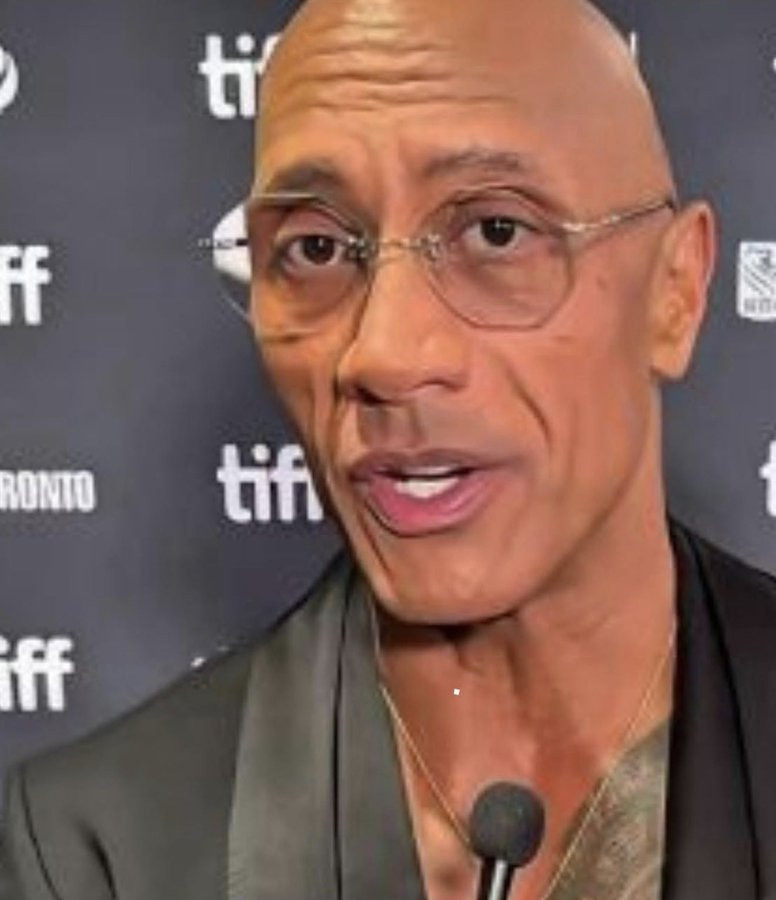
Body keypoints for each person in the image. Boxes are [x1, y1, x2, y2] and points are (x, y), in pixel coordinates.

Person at [3, 0, 776, 897]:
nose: (384, 354)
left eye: (496, 232)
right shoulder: (95, 849)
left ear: (675, 292)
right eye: (316, 248)